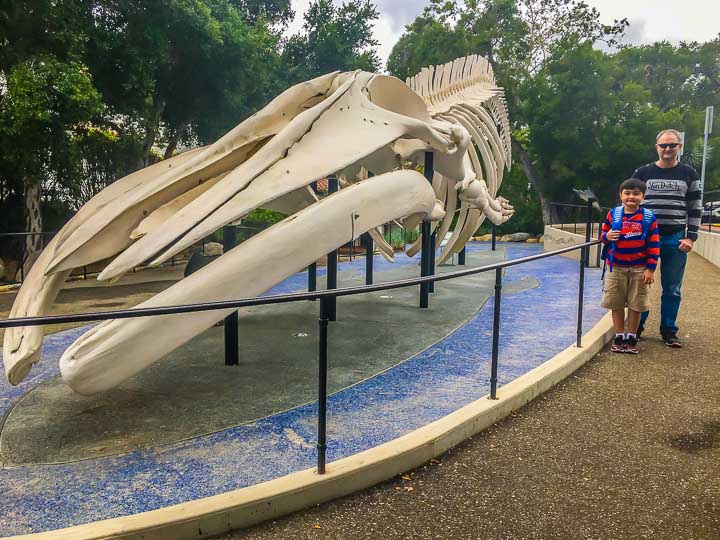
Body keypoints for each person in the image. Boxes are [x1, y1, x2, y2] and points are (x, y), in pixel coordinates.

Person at [631, 129, 702, 347]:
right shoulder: (642, 172)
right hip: (645, 238)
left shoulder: (689, 173)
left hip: (675, 237)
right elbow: (631, 204)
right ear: (657, 147)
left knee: (672, 288)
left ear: (679, 147)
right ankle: (637, 327)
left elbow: (694, 207)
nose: (667, 149)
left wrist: (691, 237)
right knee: (640, 285)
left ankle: (669, 330)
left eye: (672, 145)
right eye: (663, 145)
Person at [600, 178, 659, 354]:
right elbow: (603, 235)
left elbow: (654, 244)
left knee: (636, 304)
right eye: (627, 193)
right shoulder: (613, 214)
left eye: (636, 193)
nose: (631, 197)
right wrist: (607, 236)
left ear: (643, 196)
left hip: (639, 268)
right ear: (621, 195)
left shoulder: (648, 217)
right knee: (616, 303)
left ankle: (632, 336)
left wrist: (650, 268)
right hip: (615, 267)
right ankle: (619, 335)